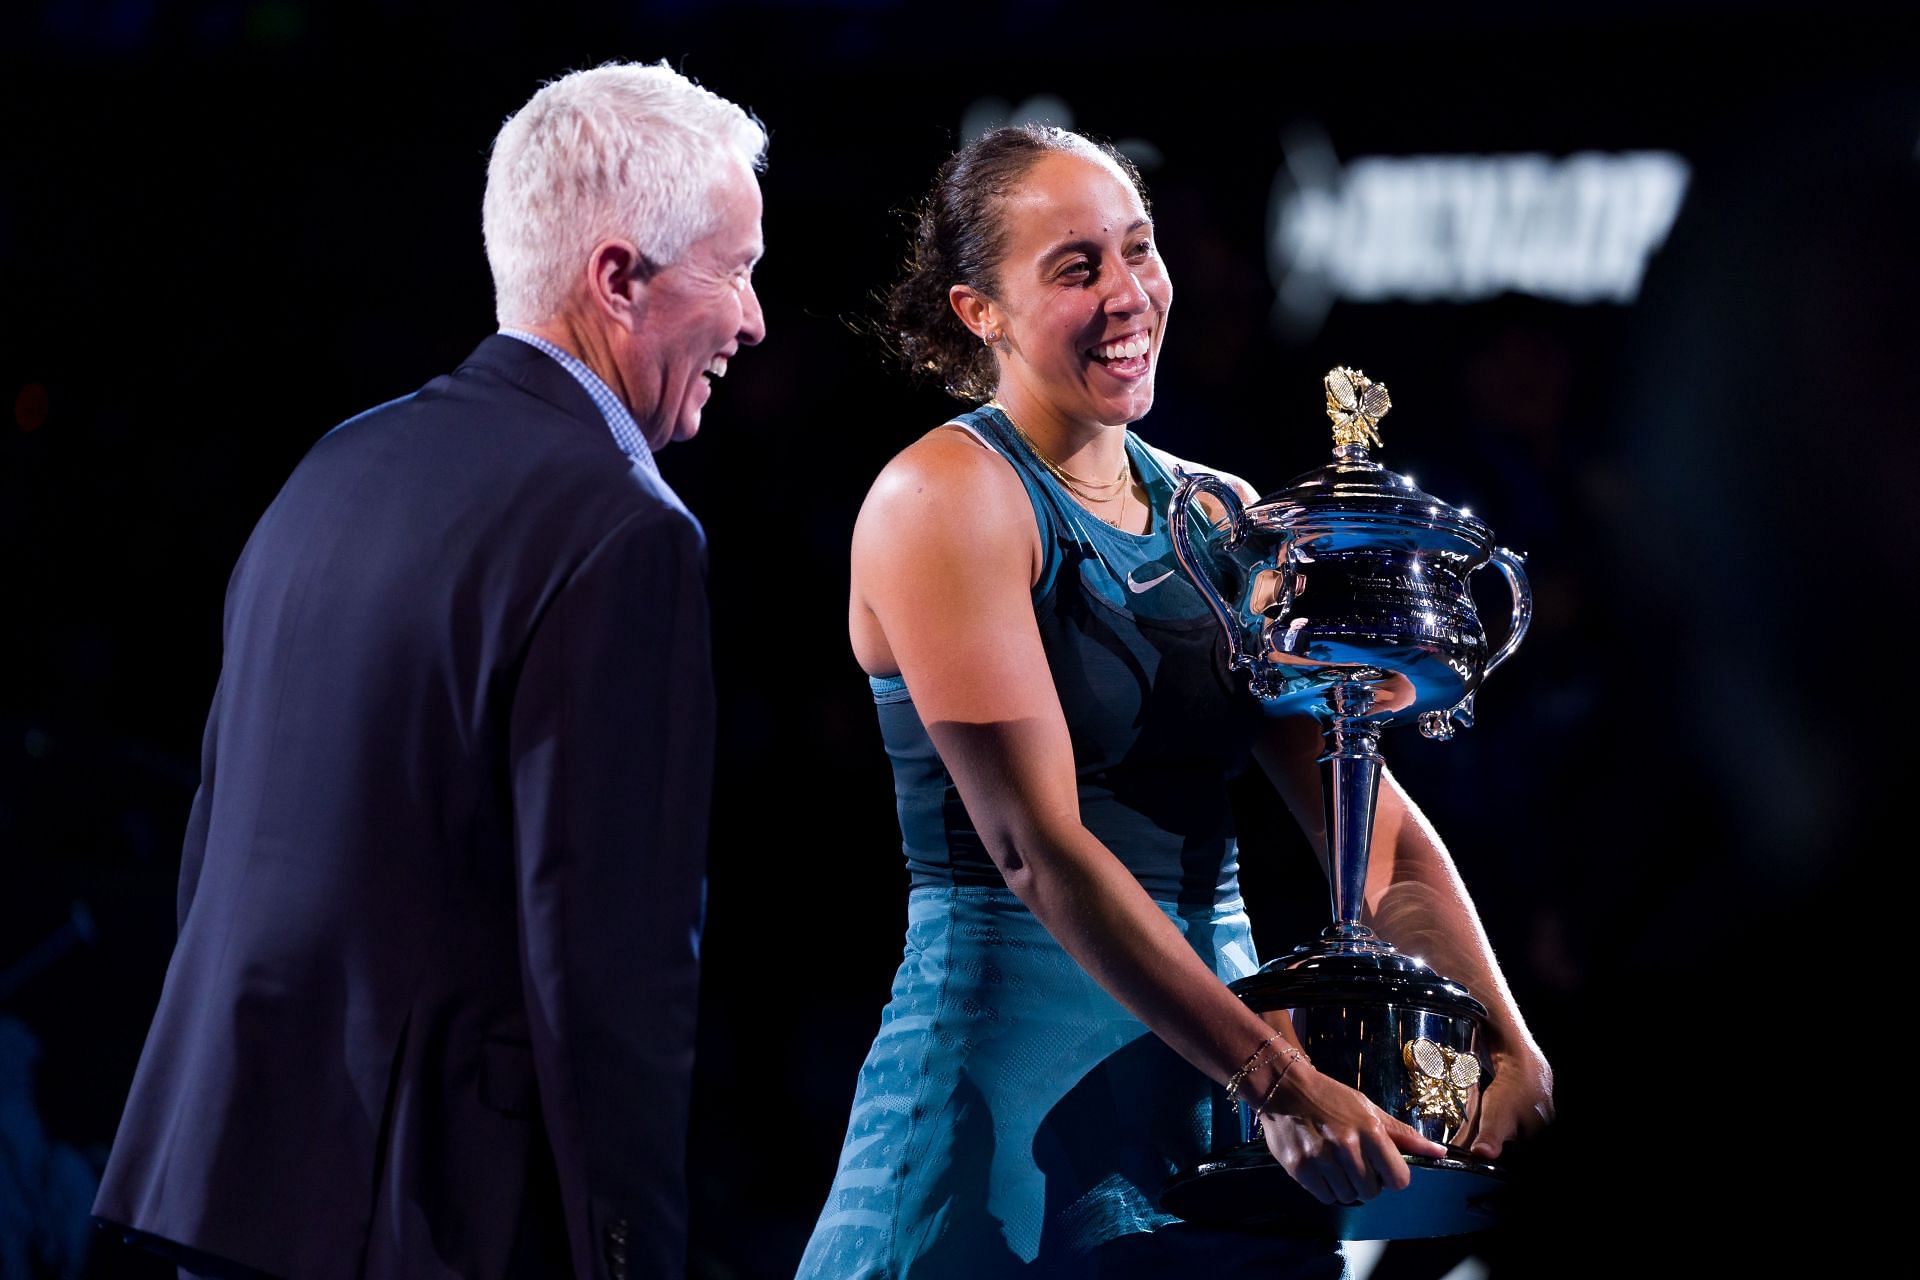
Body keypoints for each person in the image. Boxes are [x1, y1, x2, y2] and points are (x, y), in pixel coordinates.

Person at [797, 125, 1553, 1278]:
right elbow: (1035, 849)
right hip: (1009, 1111)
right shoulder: (941, 496)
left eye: (1136, 251)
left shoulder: (1220, 514)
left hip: (1215, 1114)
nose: (1126, 294)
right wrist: (1276, 1072)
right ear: (976, 311)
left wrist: (1509, 1047)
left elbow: (1373, 828)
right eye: (1073, 267)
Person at [92, 62, 766, 1280]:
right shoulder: (624, 531)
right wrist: (629, 1257)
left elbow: (217, 846)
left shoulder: (333, 470)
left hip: (223, 1191)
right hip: (428, 1220)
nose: (754, 320)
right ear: (619, 278)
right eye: (737, 269)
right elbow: (607, 965)